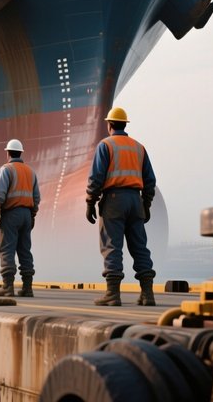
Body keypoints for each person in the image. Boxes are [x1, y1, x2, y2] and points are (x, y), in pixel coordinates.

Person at [85, 106, 157, 307]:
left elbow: (96, 177)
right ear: (125, 125)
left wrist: (90, 202)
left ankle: (113, 294)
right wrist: (146, 204)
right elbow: (150, 180)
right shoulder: (138, 147)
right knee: (139, 246)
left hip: (114, 200)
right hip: (135, 200)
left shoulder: (105, 145)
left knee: (111, 245)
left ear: (109, 125)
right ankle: (147, 294)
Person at [0, 138, 40, 297]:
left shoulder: (6, 169)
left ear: (8, 153)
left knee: (6, 249)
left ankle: (8, 287)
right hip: (27, 214)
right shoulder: (30, 171)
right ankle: (27, 287)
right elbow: (37, 197)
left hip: (11, 214)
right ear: (21, 153)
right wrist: (32, 215)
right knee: (25, 250)